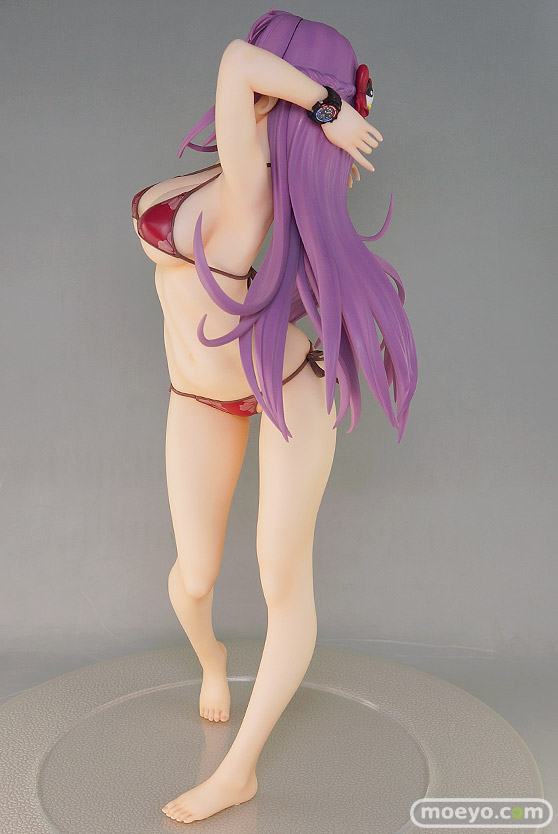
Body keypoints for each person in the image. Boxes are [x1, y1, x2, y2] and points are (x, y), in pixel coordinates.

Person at [131, 7, 417, 824]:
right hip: (202, 393)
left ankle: (239, 773)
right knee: (193, 579)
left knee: (280, 577)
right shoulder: (243, 161)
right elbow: (242, 69)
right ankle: (212, 659)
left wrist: (327, 112)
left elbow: (235, 62)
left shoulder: (252, 180)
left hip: (287, 381)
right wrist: (326, 113)